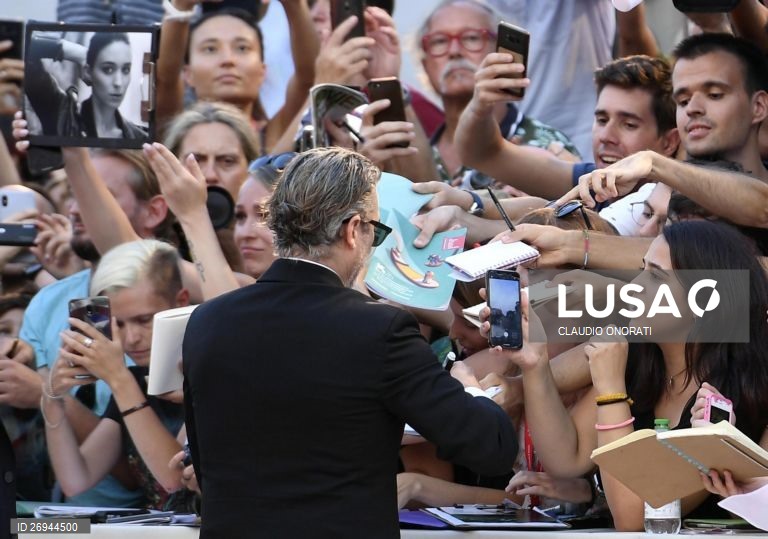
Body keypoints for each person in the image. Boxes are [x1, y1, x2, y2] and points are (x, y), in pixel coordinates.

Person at [183, 147, 518, 538]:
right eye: (376, 231)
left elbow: (205, 465)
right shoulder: (380, 329)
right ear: (352, 229)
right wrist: (471, 388)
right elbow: (491, 445)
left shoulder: (207, 320)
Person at [495, 220, 768, 530]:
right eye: (641, 269)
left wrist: (610, 390)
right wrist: (535, 365)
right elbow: (567, 456)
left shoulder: (737, 395)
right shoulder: (641, 359)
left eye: (655, 276)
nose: (635, 286)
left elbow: (635, 517)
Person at [41, 240, 187, 508]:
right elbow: (76, 478)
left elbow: (175, 479)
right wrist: (52, 398)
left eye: (145, 319)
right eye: (118, 323)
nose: (131, 338)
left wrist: (118, 380)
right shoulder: (133, 381)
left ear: (181, 302)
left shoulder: (206, 373)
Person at [25, 32, 146, 139]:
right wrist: (80, 54)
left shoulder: (138, 137)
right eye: (108, 69)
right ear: (88, 71)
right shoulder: (62, 114)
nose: (118, 83)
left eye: (125, 70)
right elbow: (25, 47)